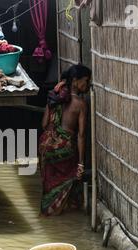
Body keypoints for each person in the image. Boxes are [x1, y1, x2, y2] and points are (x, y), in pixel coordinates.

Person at [39, 64, 92, 216]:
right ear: (75, 80)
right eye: (86, 81)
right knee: (69, 182)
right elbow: (81, 135)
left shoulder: (54, 97)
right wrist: (81, 164)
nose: (87, 85)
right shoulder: (81, 104)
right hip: (64, 150)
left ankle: (47, 214)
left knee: (49, 187)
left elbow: (44, 124)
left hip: (45, 147)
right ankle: (61, 216)